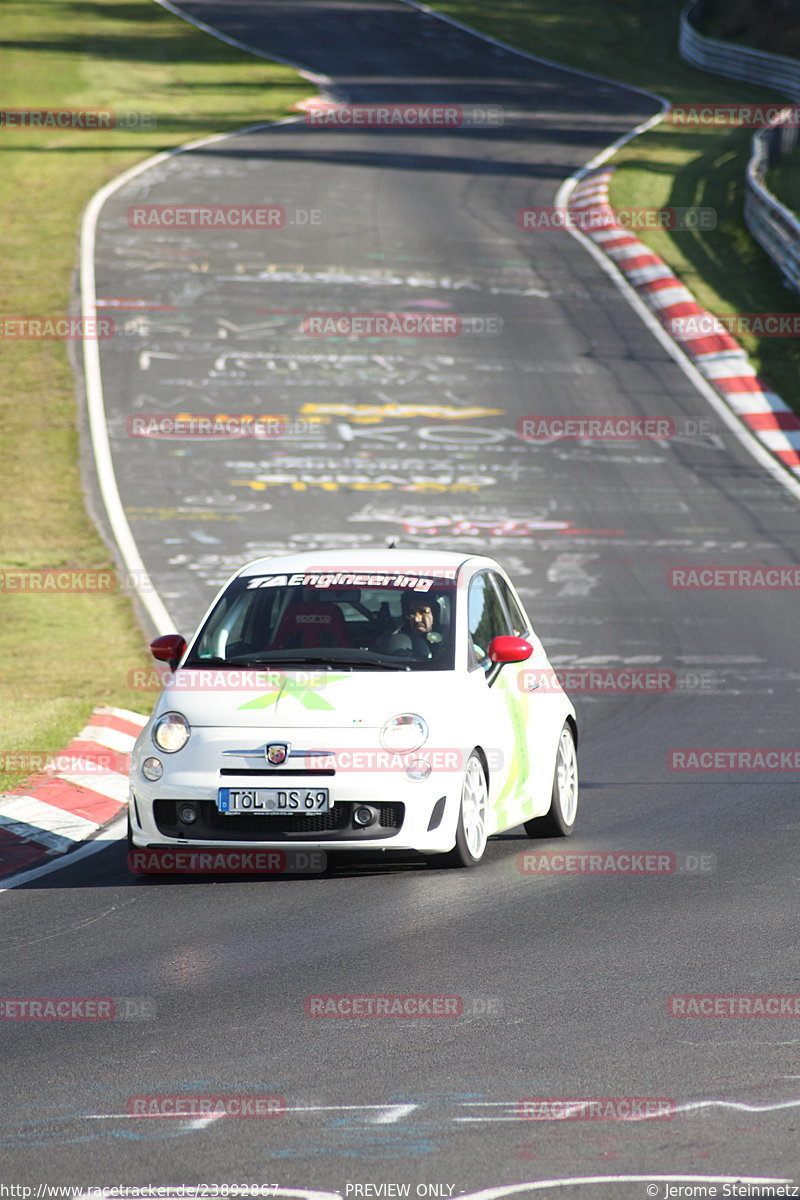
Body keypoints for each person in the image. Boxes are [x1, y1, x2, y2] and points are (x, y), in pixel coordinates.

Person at [372, 591, 446, 659]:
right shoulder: (400, 640)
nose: (417, 619)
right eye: (412, 613)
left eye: (423, 612)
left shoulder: (452, 639)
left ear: (436, 614)